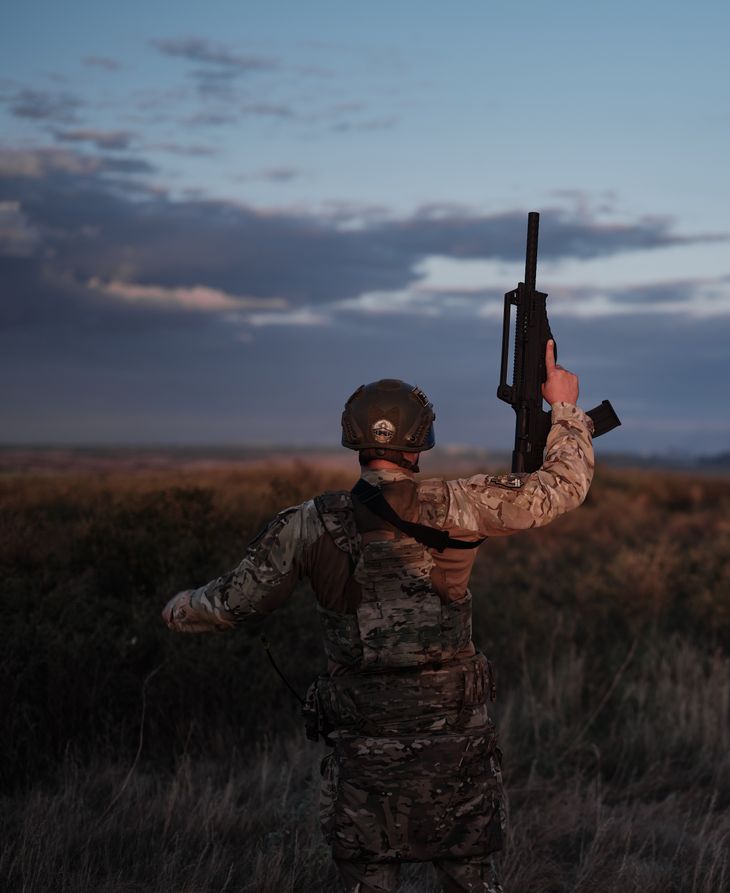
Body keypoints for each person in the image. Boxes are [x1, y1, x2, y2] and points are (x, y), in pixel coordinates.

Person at [161, 340, 594, 893]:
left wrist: (180, 610)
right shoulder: (459, 503)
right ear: (423, 440)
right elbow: (561, 488)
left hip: (364, 750)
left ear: (353, 439)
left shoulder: (307, 524)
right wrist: (564, 408)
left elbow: (233, 603)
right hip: (455, 745)